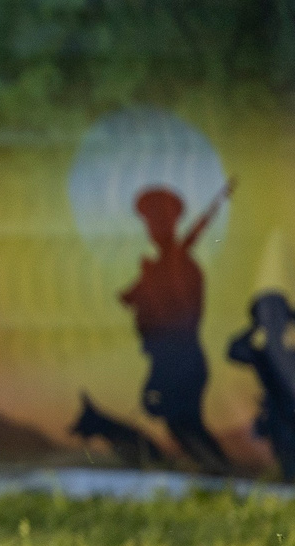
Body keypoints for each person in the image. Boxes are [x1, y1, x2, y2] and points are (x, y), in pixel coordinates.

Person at [120, 180, 233, 471]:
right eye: (149, 222)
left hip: (181, 361)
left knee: (184, 424)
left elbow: (183, 317)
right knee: (177, 423)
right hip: (167, 360)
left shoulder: (184, 269)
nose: (152, 228)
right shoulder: (157, 269)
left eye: (158, 220)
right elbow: (129, 300)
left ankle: (223, 474)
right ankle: (220, 473)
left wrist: (152, 288)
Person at [226, 289, 295, 481]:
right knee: (289, 468)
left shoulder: (288, 353)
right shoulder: (264, 356)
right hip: (280, 418)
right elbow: (234, 350)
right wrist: (255, 326)